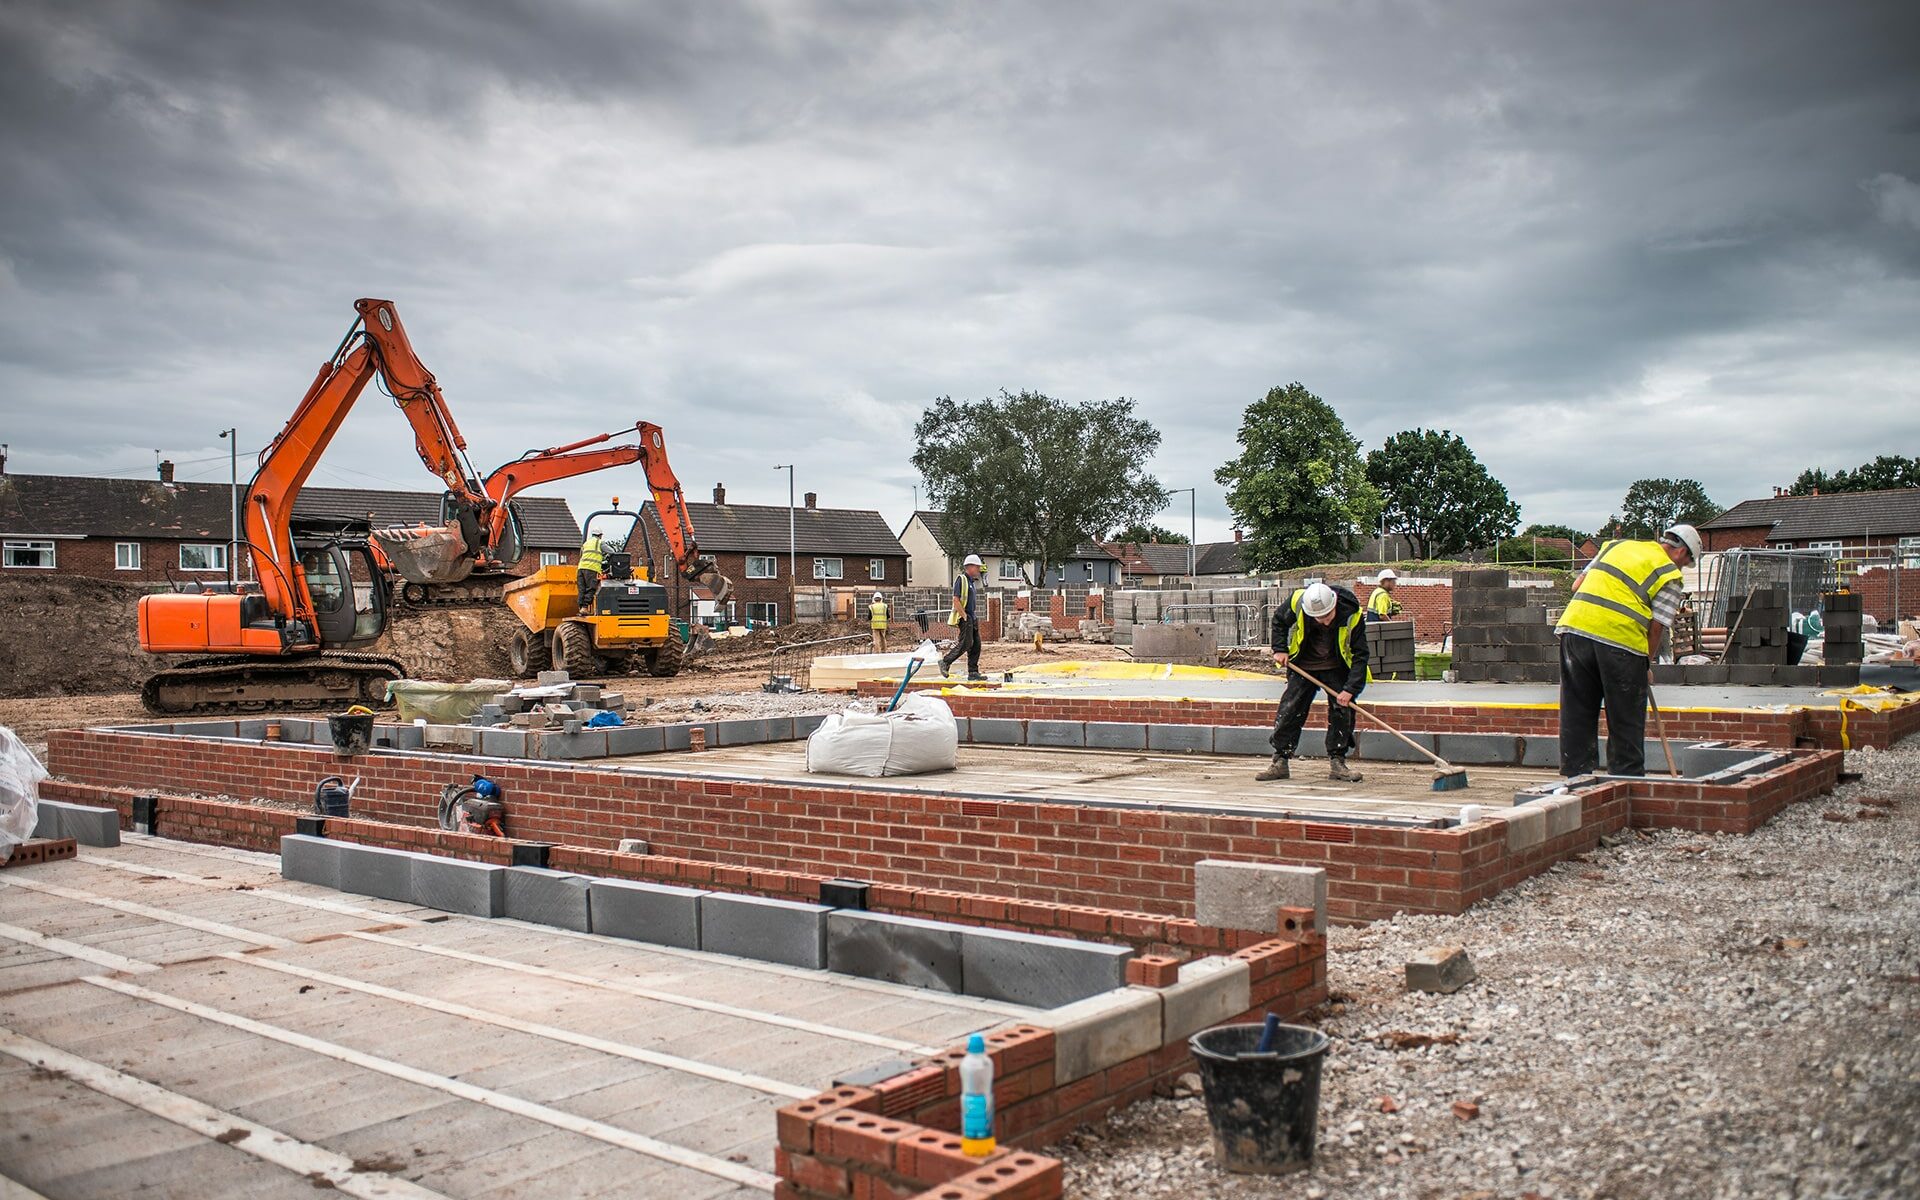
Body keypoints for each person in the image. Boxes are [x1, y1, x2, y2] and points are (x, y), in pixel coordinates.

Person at [1556, 522, 1700, 777]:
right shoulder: (1669, 574)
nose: (1682, 568)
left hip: (1575, 631)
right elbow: (1657, 627)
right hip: (1620, 642)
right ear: (1682, 553)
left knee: (1577, 709)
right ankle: (1627, 779)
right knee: (1626, 716)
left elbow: (1576, 586)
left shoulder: (1616, 546)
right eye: (1686, 563)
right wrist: (1646, 663)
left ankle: (1576, 777)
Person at [1257, 582, 1370, 782]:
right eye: (1318, 618)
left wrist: (1350, 689)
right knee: (1290, 709)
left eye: (1327, 617)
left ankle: (1337, 762)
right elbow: (1279, 621)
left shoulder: (1352, 614)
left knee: (1342, 713)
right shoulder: (1299, 601)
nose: (1324, 622)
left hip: (1336, 666)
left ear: (1334, 605)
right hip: (1304, 665)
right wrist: (1280, 648)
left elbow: (1360, 655)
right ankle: (1280, 761)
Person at [941, 554, 986, 680]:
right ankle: (946, 661)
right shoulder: (961, 579)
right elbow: (956, 600)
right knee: (965, 643)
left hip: (972, 617)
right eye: (977, 567)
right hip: (966, 617)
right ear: (970, 567)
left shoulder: (972, 582)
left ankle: (973, 672)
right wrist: (964, 616)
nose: (978, 570)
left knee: (976, 645)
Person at [576, 530, 605, 610]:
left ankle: (581, 608)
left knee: (582, 589)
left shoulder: (586, 543)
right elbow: (611, 551)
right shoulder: (599, 542)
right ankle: (585, 607)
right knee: (591, 588)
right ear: (600, 535)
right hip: (592, 569)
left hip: (581, 568)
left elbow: (581, 555)